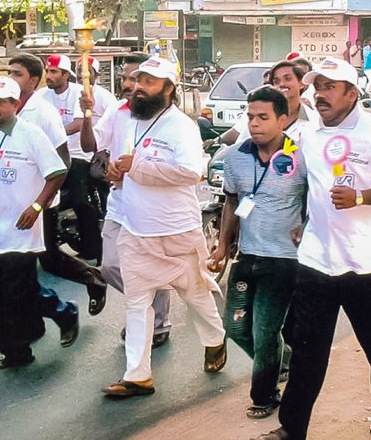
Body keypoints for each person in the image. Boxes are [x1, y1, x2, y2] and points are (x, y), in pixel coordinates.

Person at [253, 57, 371, 440]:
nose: (320, 94)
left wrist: (361, 197)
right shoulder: (309, 135)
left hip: (366, 263)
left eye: (330, 87)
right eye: (317, 87)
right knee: (308, 352)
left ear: (352, 93)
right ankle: (291, 429)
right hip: (316, 261)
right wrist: (304, 219)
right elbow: (304, 181)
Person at [101, 57, 227, 398]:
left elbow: (191, 172)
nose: (139, 87)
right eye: (138, 80)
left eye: (149, 82)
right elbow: (125, 165)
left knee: (194, 293)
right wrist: (117, 172)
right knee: (136, 301)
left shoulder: (181, 126)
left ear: (168, 90)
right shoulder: (130, 122)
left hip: (176, 231)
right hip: (135, 228)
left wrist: (137, 166)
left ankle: (215, 339)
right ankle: (138, 375)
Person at [0, 76, 75, 369]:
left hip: (21, 230)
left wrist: (36, 206)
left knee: (19, 294)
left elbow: (57, 173)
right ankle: (14, 352)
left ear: (15, 104)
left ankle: (63, 312)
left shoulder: (31, 135)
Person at [206, 86, 307, 420]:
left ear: (282, 119)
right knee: (235, 328)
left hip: (284, 260)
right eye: (250, 117)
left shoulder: (301, 157)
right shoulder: (235, 157)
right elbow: (232, 201)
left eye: (263, 117)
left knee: (265, 332)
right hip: (247, 258)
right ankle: (286, 358)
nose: (254, 124)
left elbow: (317, 200)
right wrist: (223, 245)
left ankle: (265, 395)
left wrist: (307, 224)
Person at [2, 53, 108, 318]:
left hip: (50, 185)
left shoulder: (44, 110)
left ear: (32, 79)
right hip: (10, 193)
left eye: (17, 74)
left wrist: (42, 200)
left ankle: (90, 279)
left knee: (48, 258)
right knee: (13, 263)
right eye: (9, 73)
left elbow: (62, 158)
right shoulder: (6, 104)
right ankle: (29, 327)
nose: (11, 79)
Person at [80, 53, 173, 347]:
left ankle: (154, 323)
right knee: (109, 266)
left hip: (152, 206)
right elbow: (90, 145)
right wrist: (86, 115)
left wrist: (137, 168)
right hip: (119, 203)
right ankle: (145, 309)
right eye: (129, 78)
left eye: (141, 79)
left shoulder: (168, 119)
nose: (132, 85)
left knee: (149, 266)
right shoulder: (119, 111)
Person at [36, 55, 102, 262]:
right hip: (45, 154)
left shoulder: (77, 93)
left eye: (54, 72)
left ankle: (93, 252)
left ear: (66, 75)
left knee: (81, 201)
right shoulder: (40, 96)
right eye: (47, 71)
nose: (49, 76)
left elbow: (79, 123)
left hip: (75, 154)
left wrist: (53, 135)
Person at [76, 56, 116, 214]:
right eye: (79, 71)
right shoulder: (76, 93)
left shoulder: (106, 98)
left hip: (99, 151)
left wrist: (104, 152)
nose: (82, 75)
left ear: (96, 75)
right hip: (81, 150)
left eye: (86, 72)